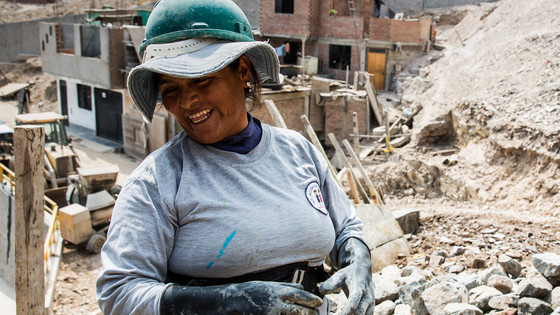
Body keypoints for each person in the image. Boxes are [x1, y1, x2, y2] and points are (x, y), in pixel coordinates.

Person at [96, 0, 375, 314]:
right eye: (170, 88)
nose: (187, 102)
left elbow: (346, 230)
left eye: (201, 79)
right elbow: (118, 293)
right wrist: (221, 302)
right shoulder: (157, 182)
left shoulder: (299, 152)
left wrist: (357, 260)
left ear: (242, 71)